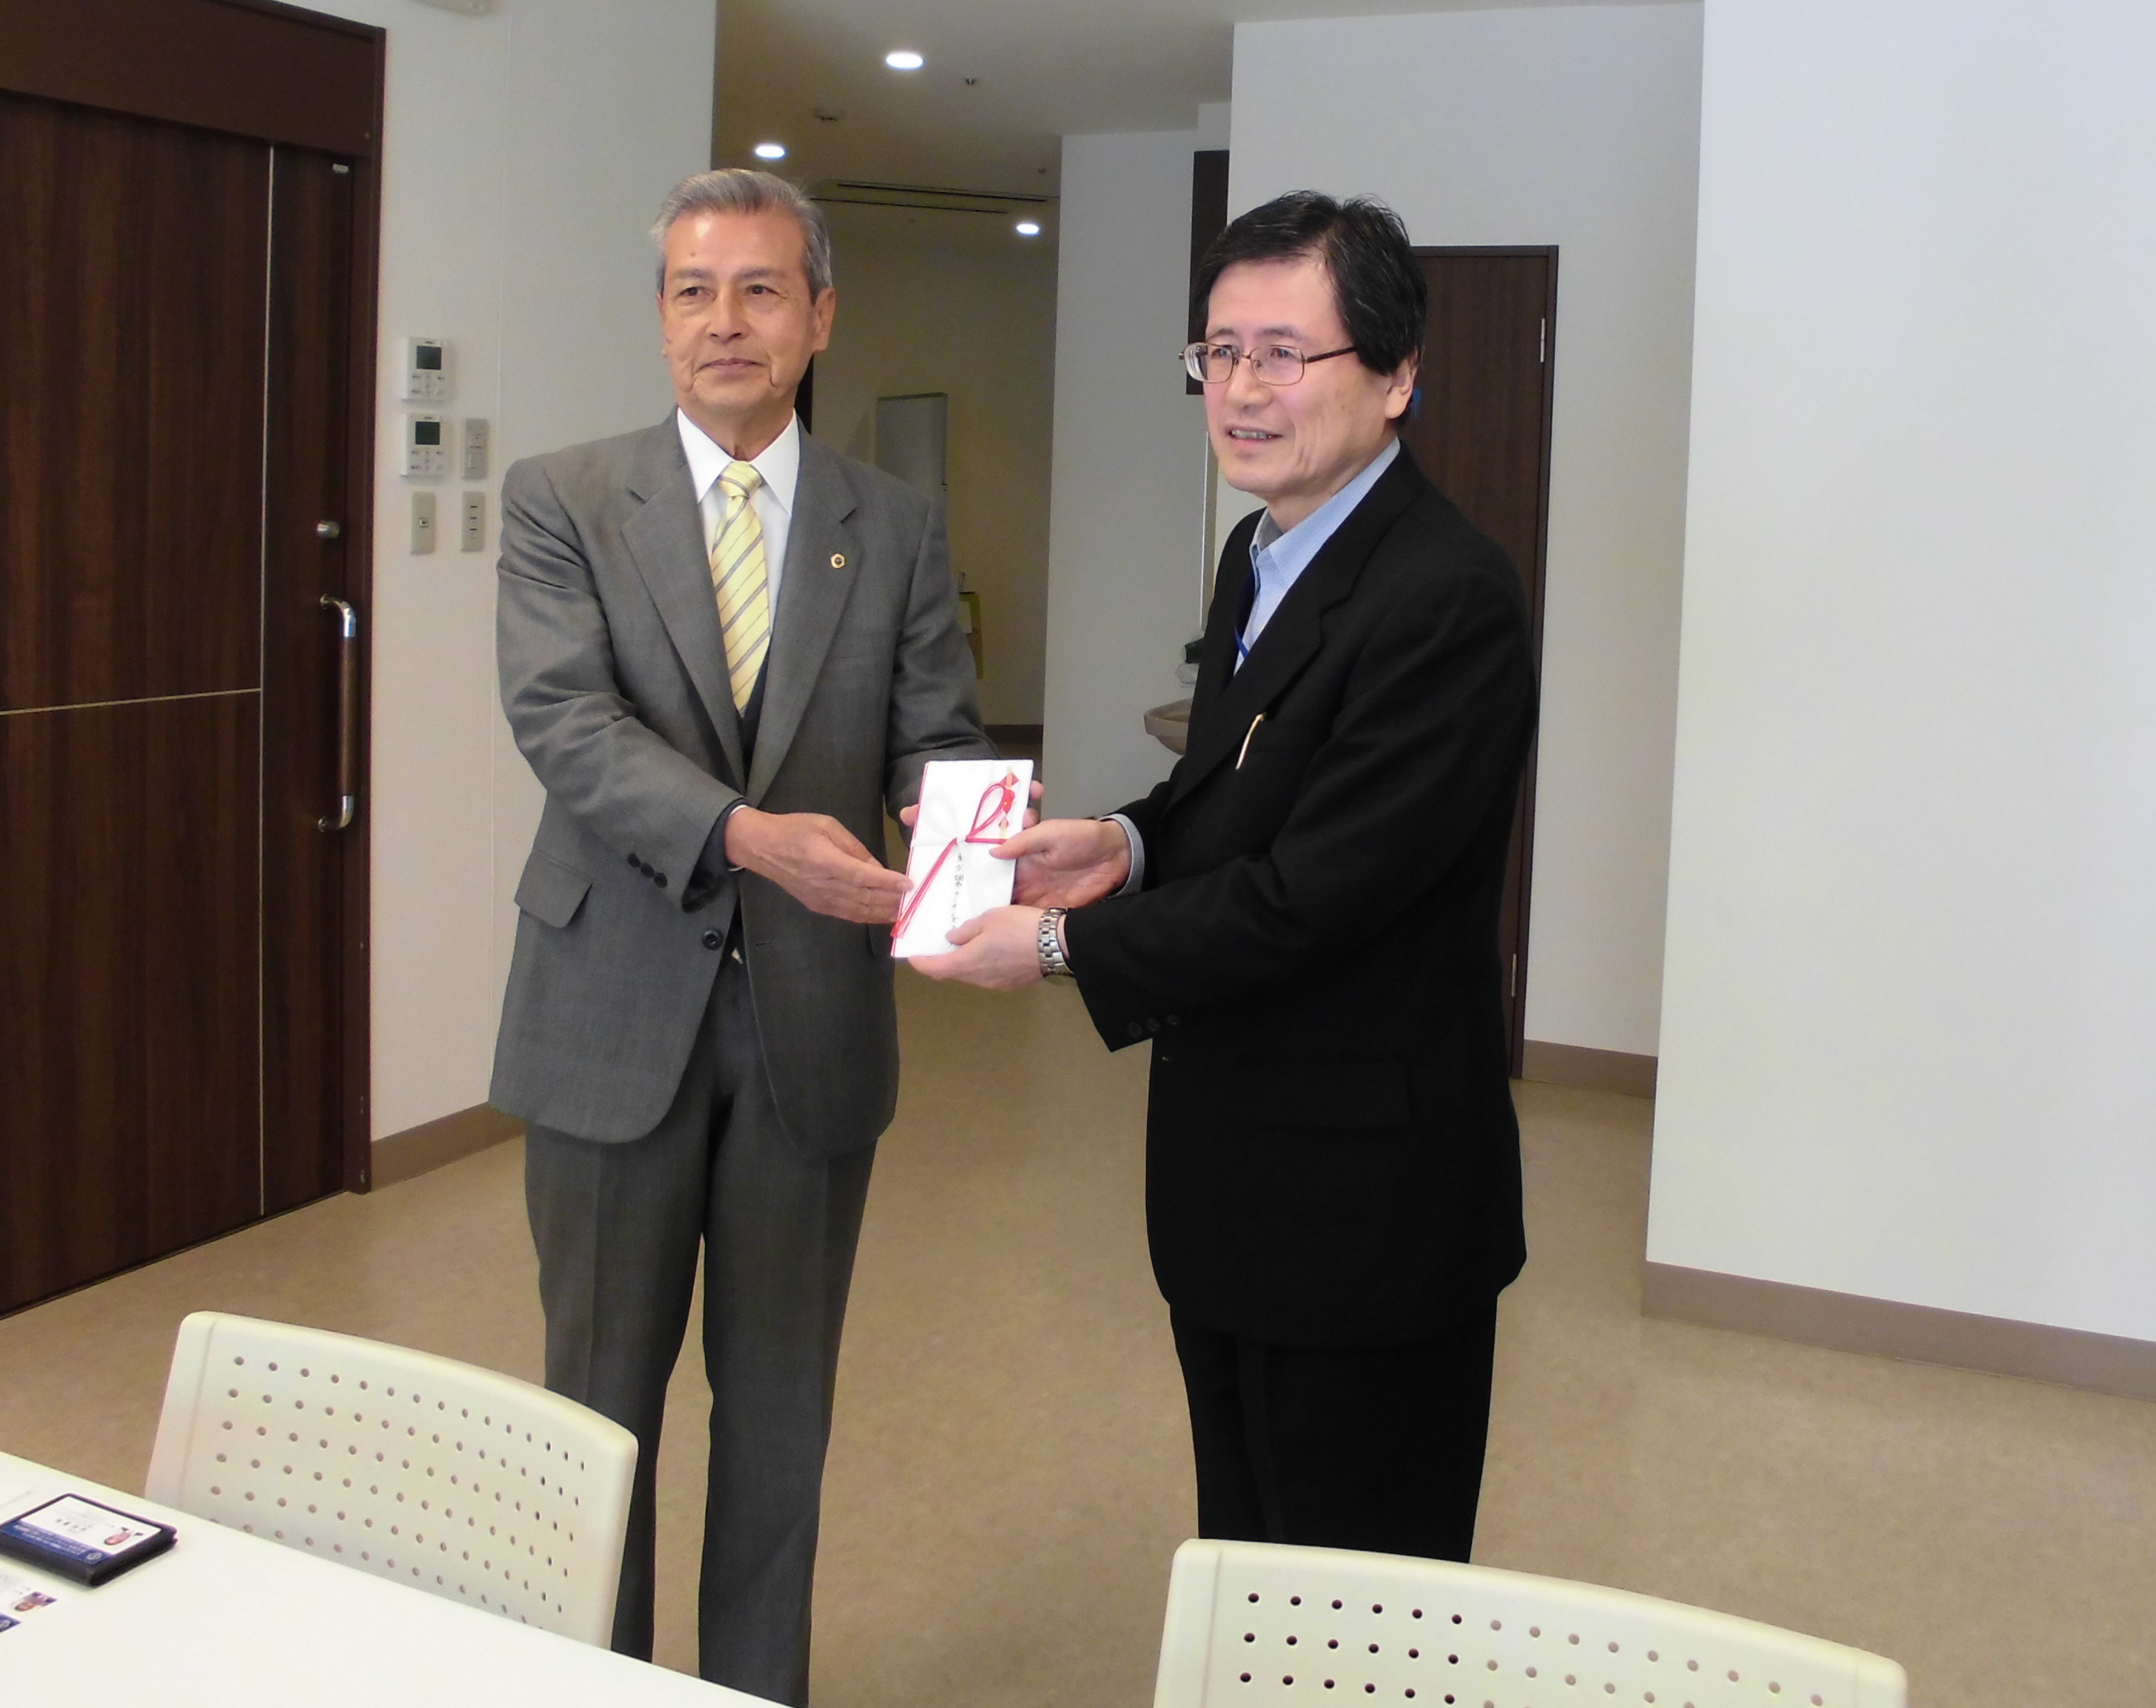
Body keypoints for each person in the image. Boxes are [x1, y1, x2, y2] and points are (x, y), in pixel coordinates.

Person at [912, 190, 1536, 1560]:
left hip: (1369, 1212)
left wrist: (1057, 949)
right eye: (1221, 352)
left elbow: (1313, 894)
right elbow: (1242, 794)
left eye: (1285, 353)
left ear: (1397, 374)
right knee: (1250, 1563)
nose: (1243, 391)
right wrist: (1126, 843)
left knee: (1356, 1603)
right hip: (1237, 1182)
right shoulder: (1260, 553)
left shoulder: (1446, 595)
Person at [493, 167, 988, 1699]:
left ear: (819, 317)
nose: (726, 320)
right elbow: (564, 722)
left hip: (810, 1030)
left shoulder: (892, 525)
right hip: (606, 1008)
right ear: (660, 318)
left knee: (780, 1420)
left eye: (761, 289)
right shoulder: (565, 498)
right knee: (596, 1415)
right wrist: (750, 837)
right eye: (695, 290)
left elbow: (938, 740)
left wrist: (977, 881)